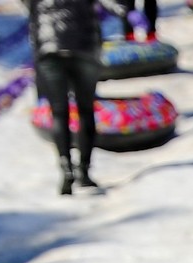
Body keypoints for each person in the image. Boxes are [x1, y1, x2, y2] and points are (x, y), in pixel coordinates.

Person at [24, 0, 130, 195]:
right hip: (84, 45)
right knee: (85, 109)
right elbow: (118, 6)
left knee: (59, 112)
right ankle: (84, 171)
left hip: (49, 46)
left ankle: (66, 169)